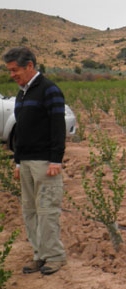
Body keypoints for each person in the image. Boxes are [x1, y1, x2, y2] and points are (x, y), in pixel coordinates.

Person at [3, 47, 67, 275]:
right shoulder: (22, 94)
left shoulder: (49, 90)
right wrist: (18, 162)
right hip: (27, 162)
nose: (11, 74)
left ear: (29, 66)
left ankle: (55, 256)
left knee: (47, 210)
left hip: (45, 163)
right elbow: (21, 131)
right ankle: (39, 255)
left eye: (15, 69)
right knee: (29, 210)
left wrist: (55, 160)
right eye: (9, 70)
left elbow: (58, 128)